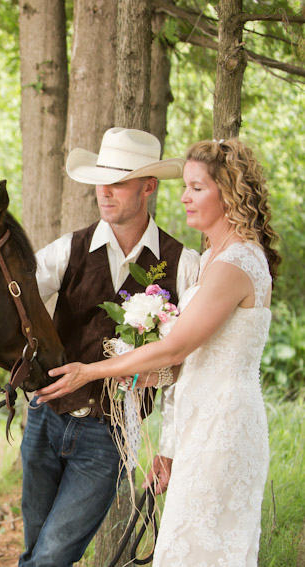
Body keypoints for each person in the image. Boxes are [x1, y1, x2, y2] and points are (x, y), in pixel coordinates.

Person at [36, 138, 280, 566]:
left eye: (197, 188)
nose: (184, 197)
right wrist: (159, 390)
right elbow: (190, 361)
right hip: (198, 419)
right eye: (185, 186)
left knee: (204, 549)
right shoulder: (213, 258)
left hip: (221, 424)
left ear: (229, 192)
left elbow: (176, 346)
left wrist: (93, 371)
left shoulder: (234, 262)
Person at [19, 128, 201, 567]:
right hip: (46, 418)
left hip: (112, 435)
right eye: (102, 180)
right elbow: (13, 302)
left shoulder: (183, 264)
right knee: (35, 553)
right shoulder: (69, 250)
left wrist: (169, 447)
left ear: (149, 187)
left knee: (50, 558)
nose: (105, 191)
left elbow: (185, 366)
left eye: (118, 181)